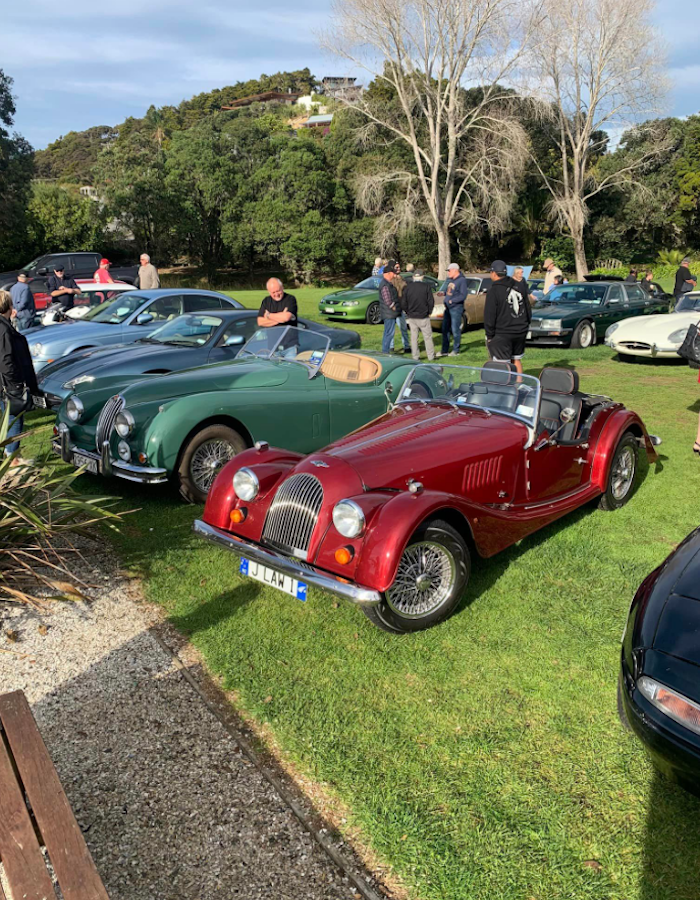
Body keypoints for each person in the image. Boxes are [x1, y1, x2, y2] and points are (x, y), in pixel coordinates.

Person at [0, 290, 39, 466]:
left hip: (4, 382)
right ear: (9, 306)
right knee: (14, 417)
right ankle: (12, 459)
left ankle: (11, 456)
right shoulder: (3, 330)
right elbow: (6, 361)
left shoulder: (5, 326)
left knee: (9, 417)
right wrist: (15, 383)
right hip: (7, 384)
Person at [483, 259, 532, 375]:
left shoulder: (494, 291)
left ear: (494, 273)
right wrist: (526, 325)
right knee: (516, 359)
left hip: (502, 332)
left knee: (502, 364)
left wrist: (489, 335)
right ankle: (518, 383)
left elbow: (490, 315)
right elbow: (527, 308)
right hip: (520, 330)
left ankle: (504, 385)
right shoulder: (519, 286)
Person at [399, 269, 435, 361]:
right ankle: (431, 356)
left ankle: (415, 356)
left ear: (413, 277)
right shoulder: (426, 287)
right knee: (427, 337)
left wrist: (407, 312)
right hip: (423, 316)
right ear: (422, 277)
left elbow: (403, 302)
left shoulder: (408, 287)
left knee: (414, 337)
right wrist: (429, 312)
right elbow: (431, 301)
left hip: (412, 316)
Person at [439, 262, 467, 357]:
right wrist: (444, 294)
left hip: (456, 308)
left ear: (455, 270)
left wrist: (452, 301)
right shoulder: (451, 280)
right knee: (445, 329)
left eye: (449, 271)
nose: (448, 273)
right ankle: (444, 350)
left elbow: (463, 295)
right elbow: (451, 292)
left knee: (455, 330)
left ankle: (456, 350)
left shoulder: (461, 280)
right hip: (448, 308)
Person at [379, 260, 406, 354]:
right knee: (389, 333)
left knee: (388, 332)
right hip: (389, 313)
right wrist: (393, 307)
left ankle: (385, 351)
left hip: (390, 313)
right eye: (392, 273)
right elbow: (387, 298)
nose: (394, 275)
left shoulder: (388, 283)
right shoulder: (385, 284)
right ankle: (385, 352)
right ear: (388, 274)